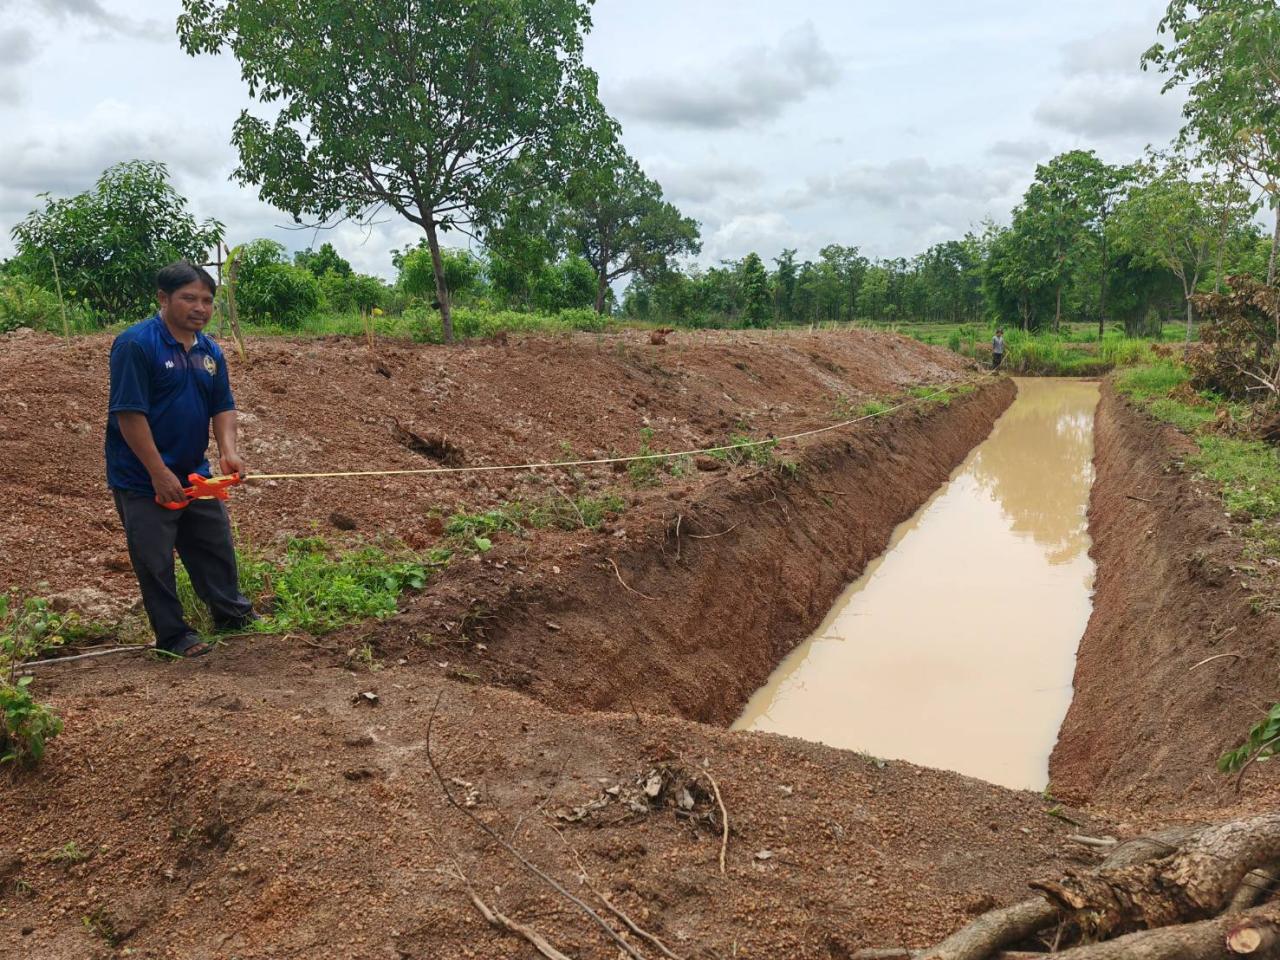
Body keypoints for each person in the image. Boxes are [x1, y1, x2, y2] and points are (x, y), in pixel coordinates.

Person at [106, 261, 255, 658]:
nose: (200, 308)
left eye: (207, 300)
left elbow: (222, 405)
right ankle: (173, 637)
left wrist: (228, 451)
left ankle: (232, 615)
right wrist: (158, 473)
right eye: (189, 298)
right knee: (154, 560)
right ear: (163, 298)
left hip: (195, 474)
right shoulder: (137, 344)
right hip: (142, 479)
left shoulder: (209, 351)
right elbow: (129, 415)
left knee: (214, 544)